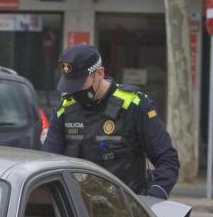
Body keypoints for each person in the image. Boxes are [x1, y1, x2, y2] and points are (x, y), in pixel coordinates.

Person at [43, 44, 179, 198]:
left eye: (80, 84)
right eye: (70, 85)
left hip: (126, 210)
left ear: (99, 73)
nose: (75, 91)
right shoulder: (64, 111)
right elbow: (49, 163)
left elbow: (167, 160)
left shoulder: (134, 106)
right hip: (78, 213)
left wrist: (153, 199)